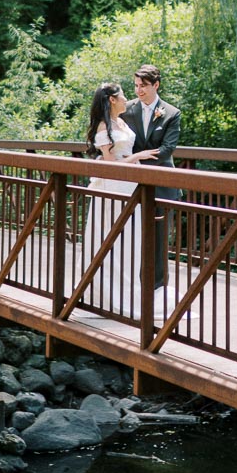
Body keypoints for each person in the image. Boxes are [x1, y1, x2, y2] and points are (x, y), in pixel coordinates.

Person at [80, 82, 159, 319]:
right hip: (112, 185)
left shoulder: (121, 122)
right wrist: (137, 157)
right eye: (123, 95)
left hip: (128, 184)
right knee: (112, 239)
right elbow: (110, 163)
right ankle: (106, 296)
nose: (127, 98)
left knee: (130, 242)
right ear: (112, 100)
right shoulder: (104, 126)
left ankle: (128, 293)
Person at [121, 64, 182, 288]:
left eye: (144, 86)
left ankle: (156, 290)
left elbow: (167, 149)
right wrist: (132, 158)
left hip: (161, 185)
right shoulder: (125, 110)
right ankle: (130, 287)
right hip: (130, 184)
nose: (139, 90)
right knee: (129, 236)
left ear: (156, 85)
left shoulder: (172, 113)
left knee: (158, 241)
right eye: (136, 85)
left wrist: (138, 158)